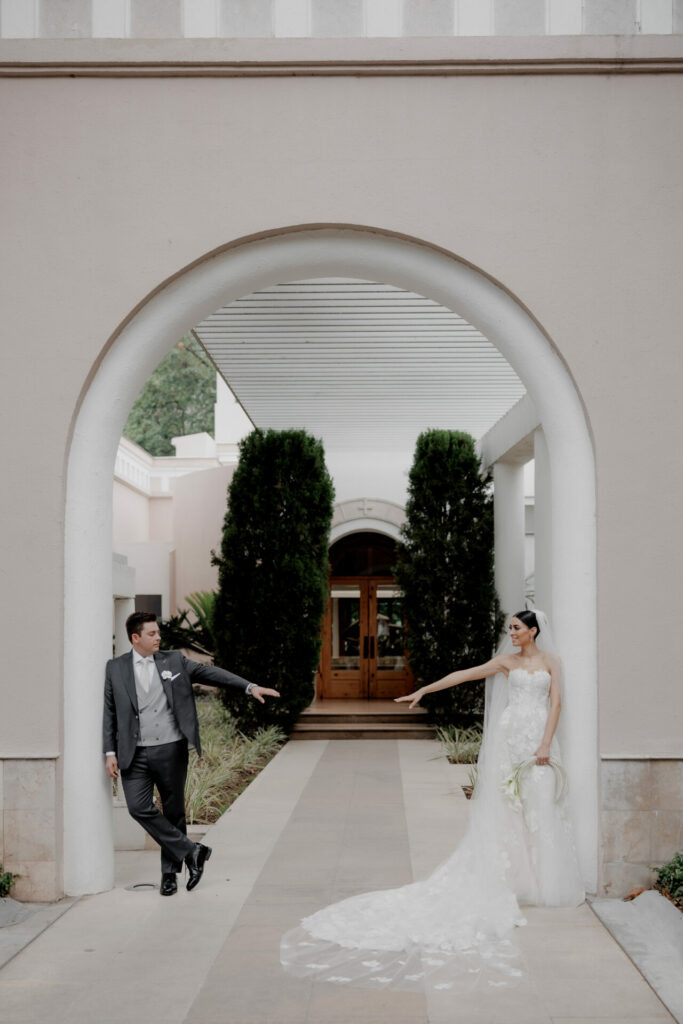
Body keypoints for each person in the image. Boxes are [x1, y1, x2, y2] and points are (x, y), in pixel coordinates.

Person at [281, 608, 584, 990]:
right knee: (509, 807)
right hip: (511, 740)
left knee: (541, 806)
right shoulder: (505, 662)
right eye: (510, 628)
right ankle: (513, 879)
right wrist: (425, 689)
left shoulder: (552, 662)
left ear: (534, 630)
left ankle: (544, 879)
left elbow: (556, 704)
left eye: (518, 628)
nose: (512, 634)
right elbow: (463, 675)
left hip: (537, 739)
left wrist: (544, 743)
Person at [103, 611, 279, 896]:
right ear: (135, 638)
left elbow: (211, 674)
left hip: (170, 749)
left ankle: (169, 875)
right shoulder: (115, 668)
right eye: (151, 634)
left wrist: (250, 687)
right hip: (133, 752)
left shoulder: (174, 661)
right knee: (137, 807)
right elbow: (109, 711)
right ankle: (192, 851)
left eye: (158, 632)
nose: (158, 637)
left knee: (173, 810)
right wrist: (110, 751)